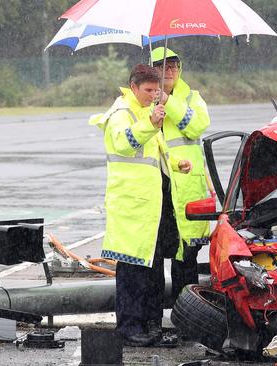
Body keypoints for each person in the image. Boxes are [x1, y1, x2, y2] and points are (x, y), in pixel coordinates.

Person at [89, 64, 192, 347]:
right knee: (132, 271)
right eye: (148, 90)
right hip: (131, 207)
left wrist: (176, 164)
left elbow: (154, 155)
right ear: (133, 87)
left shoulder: (146, 113)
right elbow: (125, 143)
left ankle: (149, 323)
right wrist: (151, 123)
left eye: (156, 90)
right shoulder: (121, 113)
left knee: (150, 270)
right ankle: (129, 327)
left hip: (150, 207)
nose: (152, 95)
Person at [151, 47, 211, 302]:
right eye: (164, 65)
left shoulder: (192, 97)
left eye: (175, 65)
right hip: (157, 188)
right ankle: (154, 318)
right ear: (153, 69)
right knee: (153, 256)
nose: (171, 69)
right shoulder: (144, 99)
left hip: (186, 188)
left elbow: (198, 125)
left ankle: (186, 314)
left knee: (186, 258)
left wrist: (169, 101)